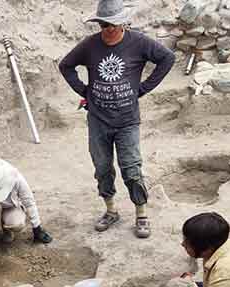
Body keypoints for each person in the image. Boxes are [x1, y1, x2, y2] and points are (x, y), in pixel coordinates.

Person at [59, 0, 175, 239]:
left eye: (113, 25)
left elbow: (167, 58)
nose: (108, 30)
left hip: (127, 120)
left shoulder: (140, 42)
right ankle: (111, 210)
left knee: (131, 169)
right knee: (102, 167)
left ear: (123, 23)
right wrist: (84, 91)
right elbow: (66, 65)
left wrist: (143, 88)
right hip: (98, 119)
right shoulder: (90, 46)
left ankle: (141, 214)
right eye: (103, 25)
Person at [0, 157, 53, 259]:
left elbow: (29, 202)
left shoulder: (16, 178)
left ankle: (7, 229)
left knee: (17, 224)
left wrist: (37, 228)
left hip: (10, 208)